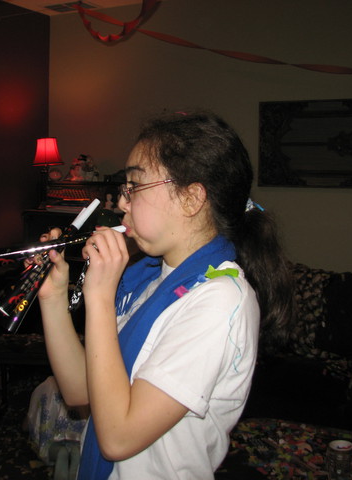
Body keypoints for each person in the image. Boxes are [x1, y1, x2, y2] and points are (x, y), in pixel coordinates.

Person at [36, 110, 293, 479]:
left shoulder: (221, 300)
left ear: (191, 198)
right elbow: (80, 390)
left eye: (134, 186)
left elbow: (118, 438)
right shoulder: (146, 278)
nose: (121, 202)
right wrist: (53, 297)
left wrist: (100, 298)